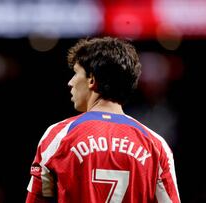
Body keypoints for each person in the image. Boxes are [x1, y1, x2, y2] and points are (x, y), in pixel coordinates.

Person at [26, 36, 180, 203]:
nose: (70, 83)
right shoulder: (156, 146)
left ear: (92, 79)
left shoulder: (59, 136)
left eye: (76, 73)